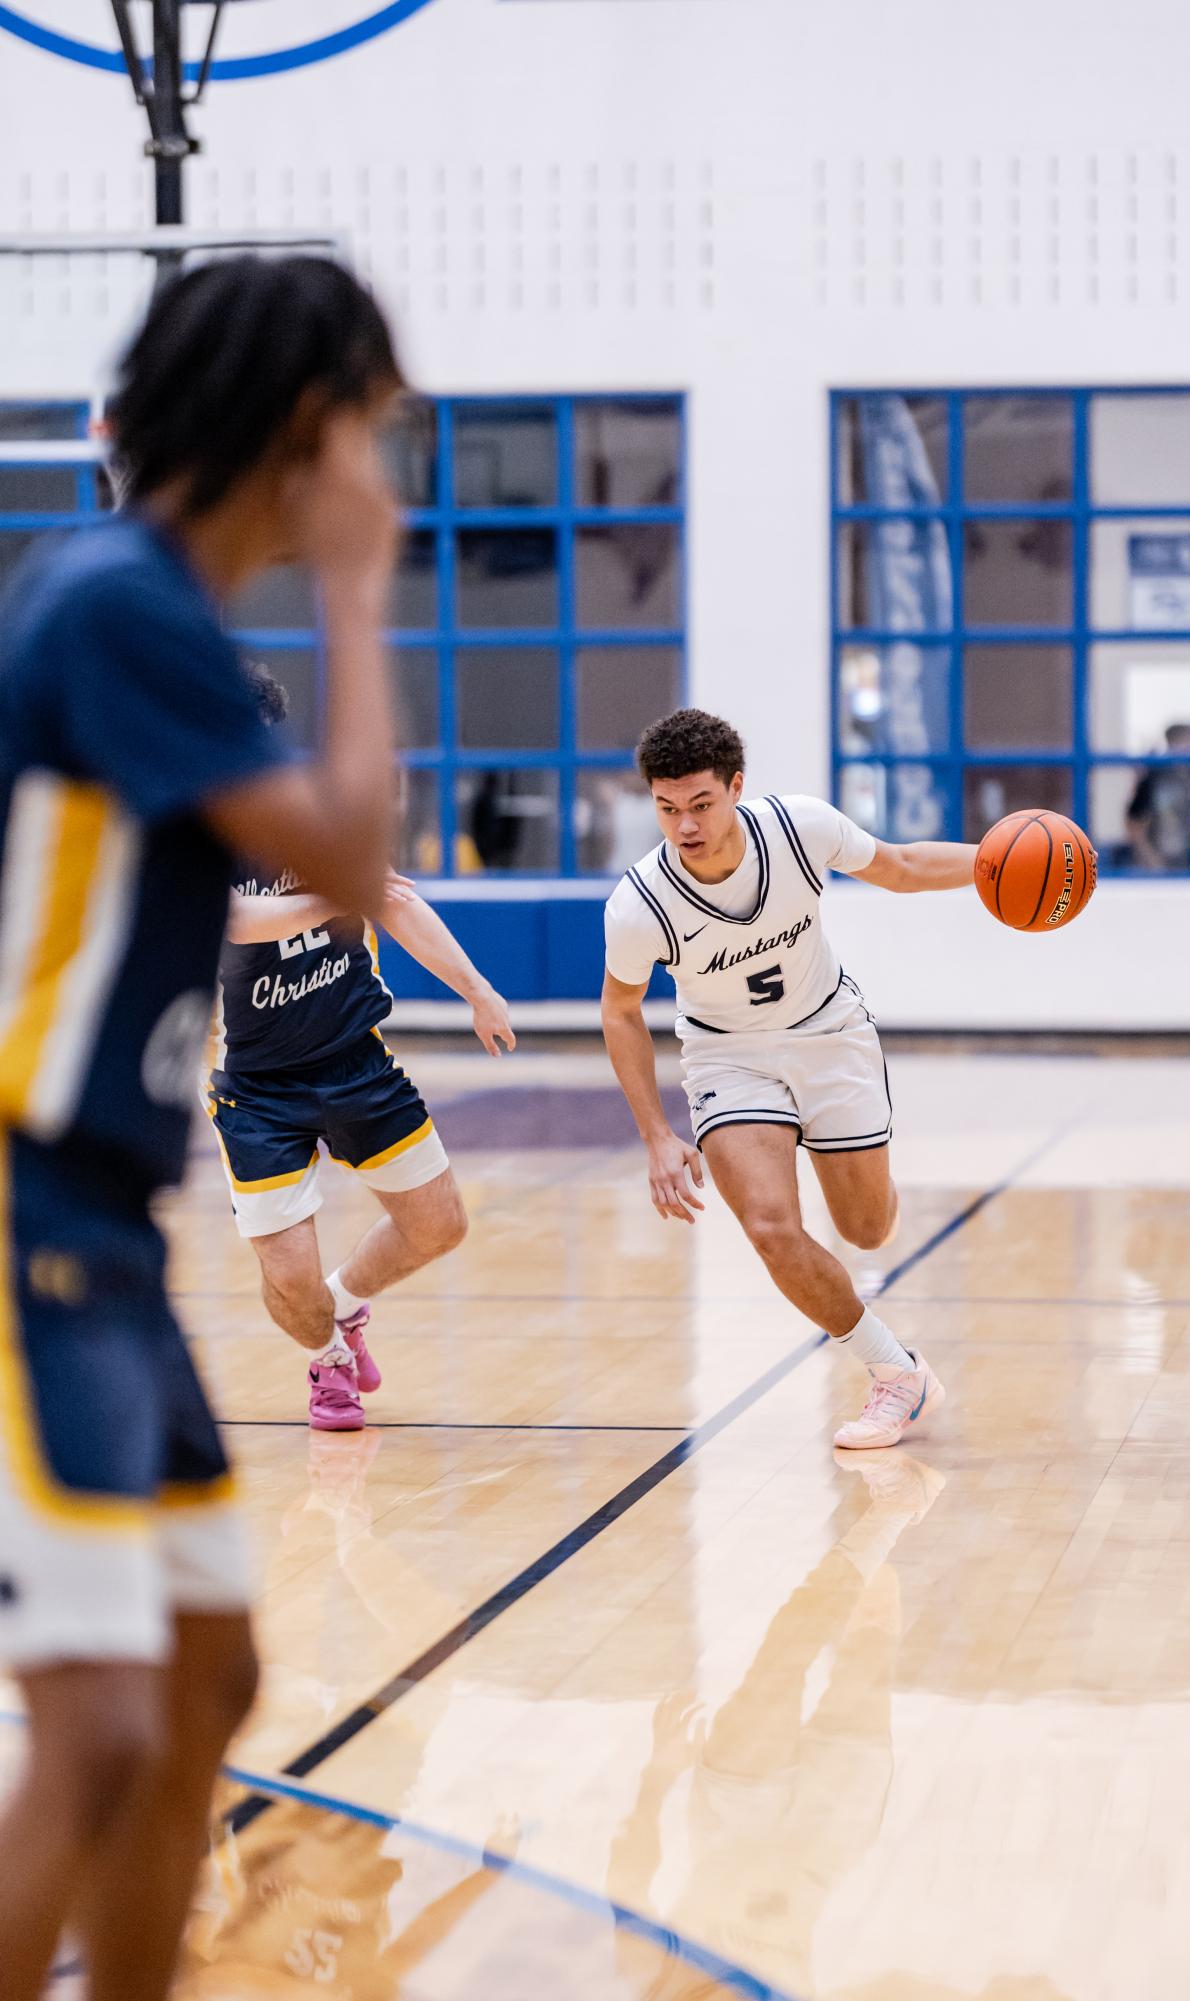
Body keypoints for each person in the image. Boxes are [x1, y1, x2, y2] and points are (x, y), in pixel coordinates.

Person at [0, 253, 405, 2001]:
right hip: (19, 1201)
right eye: (368, 435)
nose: (380, 473)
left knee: (212, 1677)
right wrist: (360, 591)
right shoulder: (119, 604)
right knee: (98, 1726)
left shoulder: (121, 602)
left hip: (99, 1222)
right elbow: (349, 862)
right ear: (304, 428)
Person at [601, 708, 977, 1452]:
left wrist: (992, 859)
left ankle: (854, 1166)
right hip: (727, 1060)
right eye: (668, 808)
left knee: (866, 1227)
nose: (685, 826)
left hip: (829, 1036)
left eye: (702, 804)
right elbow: (620, 1012)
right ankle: (897, 1374)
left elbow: (898, 868)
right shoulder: (641, 903)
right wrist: (656, 1135)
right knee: (772, 1228)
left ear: (736, 787)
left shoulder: (800, 829)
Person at [210, 663, 515, 1432]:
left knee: (441, 1224)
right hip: (256, 1087)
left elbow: (398, 900)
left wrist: (475, 989)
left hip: (354, 1058)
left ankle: (346, 1308)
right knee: (289, 1284)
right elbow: (238, 921)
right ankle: (328, 1357)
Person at [1125, 722, 1190, 870]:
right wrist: (1152, 860)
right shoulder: (1155, 779)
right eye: (1189, 743)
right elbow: (1134, 823)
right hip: (1163, 865)